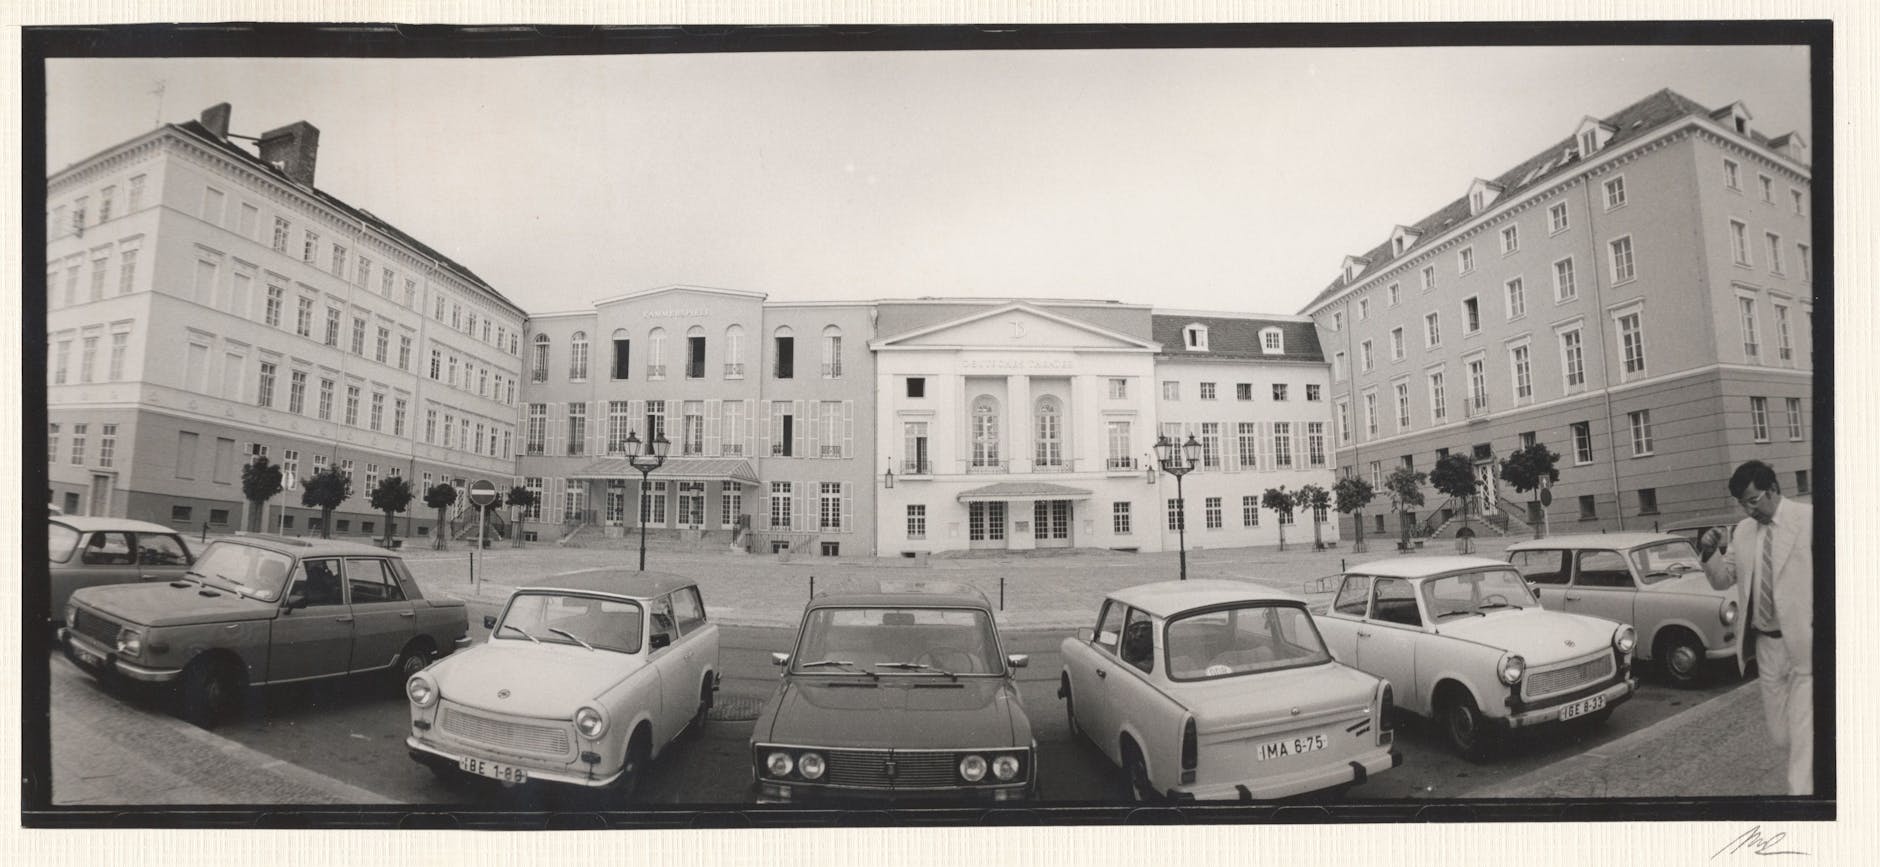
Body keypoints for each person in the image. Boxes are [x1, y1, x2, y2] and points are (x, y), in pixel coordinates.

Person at [1698, 460, 1813, 795]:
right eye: (1742, 504)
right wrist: (1709, 553)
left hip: (1805, 643)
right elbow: (1723, 580)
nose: (1749, 510)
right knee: (1781, 734)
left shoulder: (1808, 520)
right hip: (1766, 646)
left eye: (1753, 500)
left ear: (1773, 489)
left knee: (1804, 736)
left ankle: (1804, 803)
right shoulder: (1743, 532)